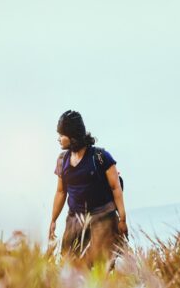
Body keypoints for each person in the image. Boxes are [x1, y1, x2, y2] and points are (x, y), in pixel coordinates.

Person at [47, 109, 128, 268]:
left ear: (73, 136)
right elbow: (61, 192)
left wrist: (123, 219)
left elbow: (115, 187)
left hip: (103, 220)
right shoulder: (62, 160)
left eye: (62, 135)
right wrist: (53, 220)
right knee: (70, 268)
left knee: (103, 268)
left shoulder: (100, 157)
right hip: (75, 222)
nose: (58, 139)